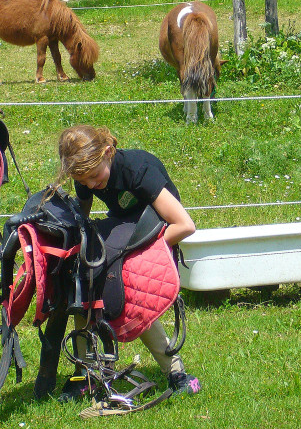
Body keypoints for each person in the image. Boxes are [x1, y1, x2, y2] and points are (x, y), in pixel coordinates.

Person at [56, 124, 202, 399]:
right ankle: (84, 370)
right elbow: (84, 223)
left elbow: (185, 224)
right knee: (84, 276)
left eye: (94, 176)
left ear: (108, 152)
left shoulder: (138, 169)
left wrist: (140, 253)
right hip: (125, 226)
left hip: (158, 228)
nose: (89, 184)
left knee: (133, 290)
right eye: (82, 180)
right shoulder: (87, 174)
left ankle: (177, 371)